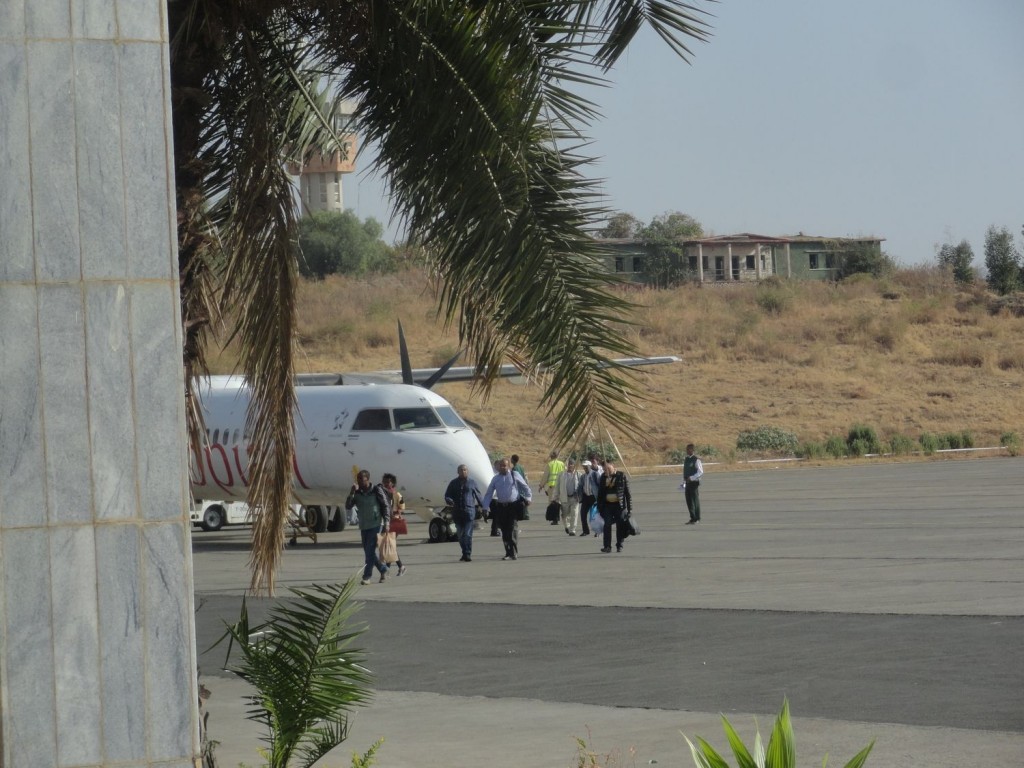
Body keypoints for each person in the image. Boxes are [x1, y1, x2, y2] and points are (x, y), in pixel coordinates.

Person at [345, 469, 391, 584]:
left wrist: (387, 522)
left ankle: (367, 576)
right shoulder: (357, 492)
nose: (360, 482)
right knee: (368, 552)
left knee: (370, 551)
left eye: (362, 479)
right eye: (358, 479)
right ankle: (383, 569)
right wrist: (351, 493)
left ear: (368, 479)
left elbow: (385, 506)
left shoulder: (376, 490)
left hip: (376, 524)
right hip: (364, 525)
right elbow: (348, 506)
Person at [483, 458, 533, 560]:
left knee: (512, 529)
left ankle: (513, 552)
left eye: (504, 465)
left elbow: (525, 487)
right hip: (501, 507)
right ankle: (508, 552)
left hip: (513, 506)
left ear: (509, 466)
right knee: (504, 531)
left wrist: (528, 498)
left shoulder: (514, 475)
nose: (502, 467)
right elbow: (489, 493)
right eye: (500, 466)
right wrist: (485, 507)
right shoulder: (495, 479)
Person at [444, 464, 484, 562]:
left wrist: (484, 507)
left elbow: (479, 496)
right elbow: (447, 495)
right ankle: (464, 552)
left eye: (465, 470)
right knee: (460, 535)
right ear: (458, 472)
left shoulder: (472, 483)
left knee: (467, 534)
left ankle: (467, 554)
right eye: (461, 470)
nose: (463, 472)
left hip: (469, 512)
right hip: (457, 512)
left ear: (468, 471)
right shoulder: (453, 483)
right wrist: (449, 500)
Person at [597, 459, 632, 553]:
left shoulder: (621, 476)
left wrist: (629, 509)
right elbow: (600, 494)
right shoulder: (603, 478)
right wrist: (600, 508)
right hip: (607, 506)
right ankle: (607, 546)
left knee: (620, 525)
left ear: (612, 466)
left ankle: (619, 545)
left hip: (619, 506)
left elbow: (627, 494)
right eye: (604, 470)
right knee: (607, 524)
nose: (606, 471)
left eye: (608, 468)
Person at [381, 473, 407, 575]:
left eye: (388, 482)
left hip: (394, 521)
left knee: (390, 545)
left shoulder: (397, 495)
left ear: (392, 483)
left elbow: (402, 507)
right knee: (389, 546)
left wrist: (395, 513)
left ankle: (391, 568)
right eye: (384, 482)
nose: (386, 484)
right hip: (386, 522)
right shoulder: (382, 493)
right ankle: (399, 567)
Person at [555, 458, 583, 535]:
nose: (570, 466)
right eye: (568, 464)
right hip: (564, 498)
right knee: (564, 514)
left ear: (574, 466)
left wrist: (581, 496)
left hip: (574, 498)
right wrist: (555, 497)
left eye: (571, 464)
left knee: (574, 514)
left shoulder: (578, 474)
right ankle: (567, 526)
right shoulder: (561, 474)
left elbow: (581, 487)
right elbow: (557, 486)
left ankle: (572, 530)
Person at [540, 450, 566, 523]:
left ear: (551, 456)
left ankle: (555, 519)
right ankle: (564, 517)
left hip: (552, 487)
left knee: (553, 503)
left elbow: (545, 476)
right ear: (557, 456)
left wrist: (541, 485)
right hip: (561, 486)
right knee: (561, 502)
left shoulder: (550, 464)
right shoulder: (562, 464)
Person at [683, 443, 704, 524]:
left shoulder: (696, 459)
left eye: (689, 449)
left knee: (695, 500)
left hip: (694, 482)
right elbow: (685, 471)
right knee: (688, 500)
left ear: (692, 450)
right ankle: (692, 518)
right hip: (687, 483)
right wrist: (684, 481)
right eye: (686, 449)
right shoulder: (686, 459)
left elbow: (700, 472)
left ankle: (697, 518)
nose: (687, 451)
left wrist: (692, 478)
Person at [578, 459, 596, 536]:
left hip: (594, 497)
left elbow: (599, 485)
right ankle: (585, 531)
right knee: (583, 514)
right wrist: (579, 496)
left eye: (586, 466)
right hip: (586, 497)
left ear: (590, 466)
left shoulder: (595, 474)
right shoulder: (583, 476)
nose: (585, 468)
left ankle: (597, 531)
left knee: (594, 516)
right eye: (584, 467)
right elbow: (580, 487)